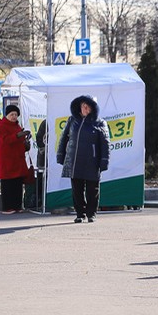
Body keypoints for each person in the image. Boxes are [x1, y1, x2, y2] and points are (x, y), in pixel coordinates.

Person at [57, 95, 110, 223]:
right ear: (79, 107)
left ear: (93, 108)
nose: (86, 109)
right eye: (83, 106)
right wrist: (61, 155)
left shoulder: (100, 122)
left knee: (93, 189)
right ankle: (80, 214)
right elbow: (63, 138)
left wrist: (104, 161)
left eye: (88, 107)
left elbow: (105, 143)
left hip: (92, 161)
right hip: (75, 161)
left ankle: (91, 213)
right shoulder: (72, 120)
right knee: (77, 189)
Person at [0, 104, 31, 214]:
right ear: (7, 115)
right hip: (7, 160)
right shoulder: (1, 126)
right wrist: (18, 136)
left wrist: (26, 144)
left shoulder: (17, 126)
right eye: (12, 114)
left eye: (16, 115)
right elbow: (5, 140)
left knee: (18, 183)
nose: (14, 117)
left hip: (18, 160)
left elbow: (19, 142)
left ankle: (17, 206)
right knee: (8, 184)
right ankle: (7, 207)